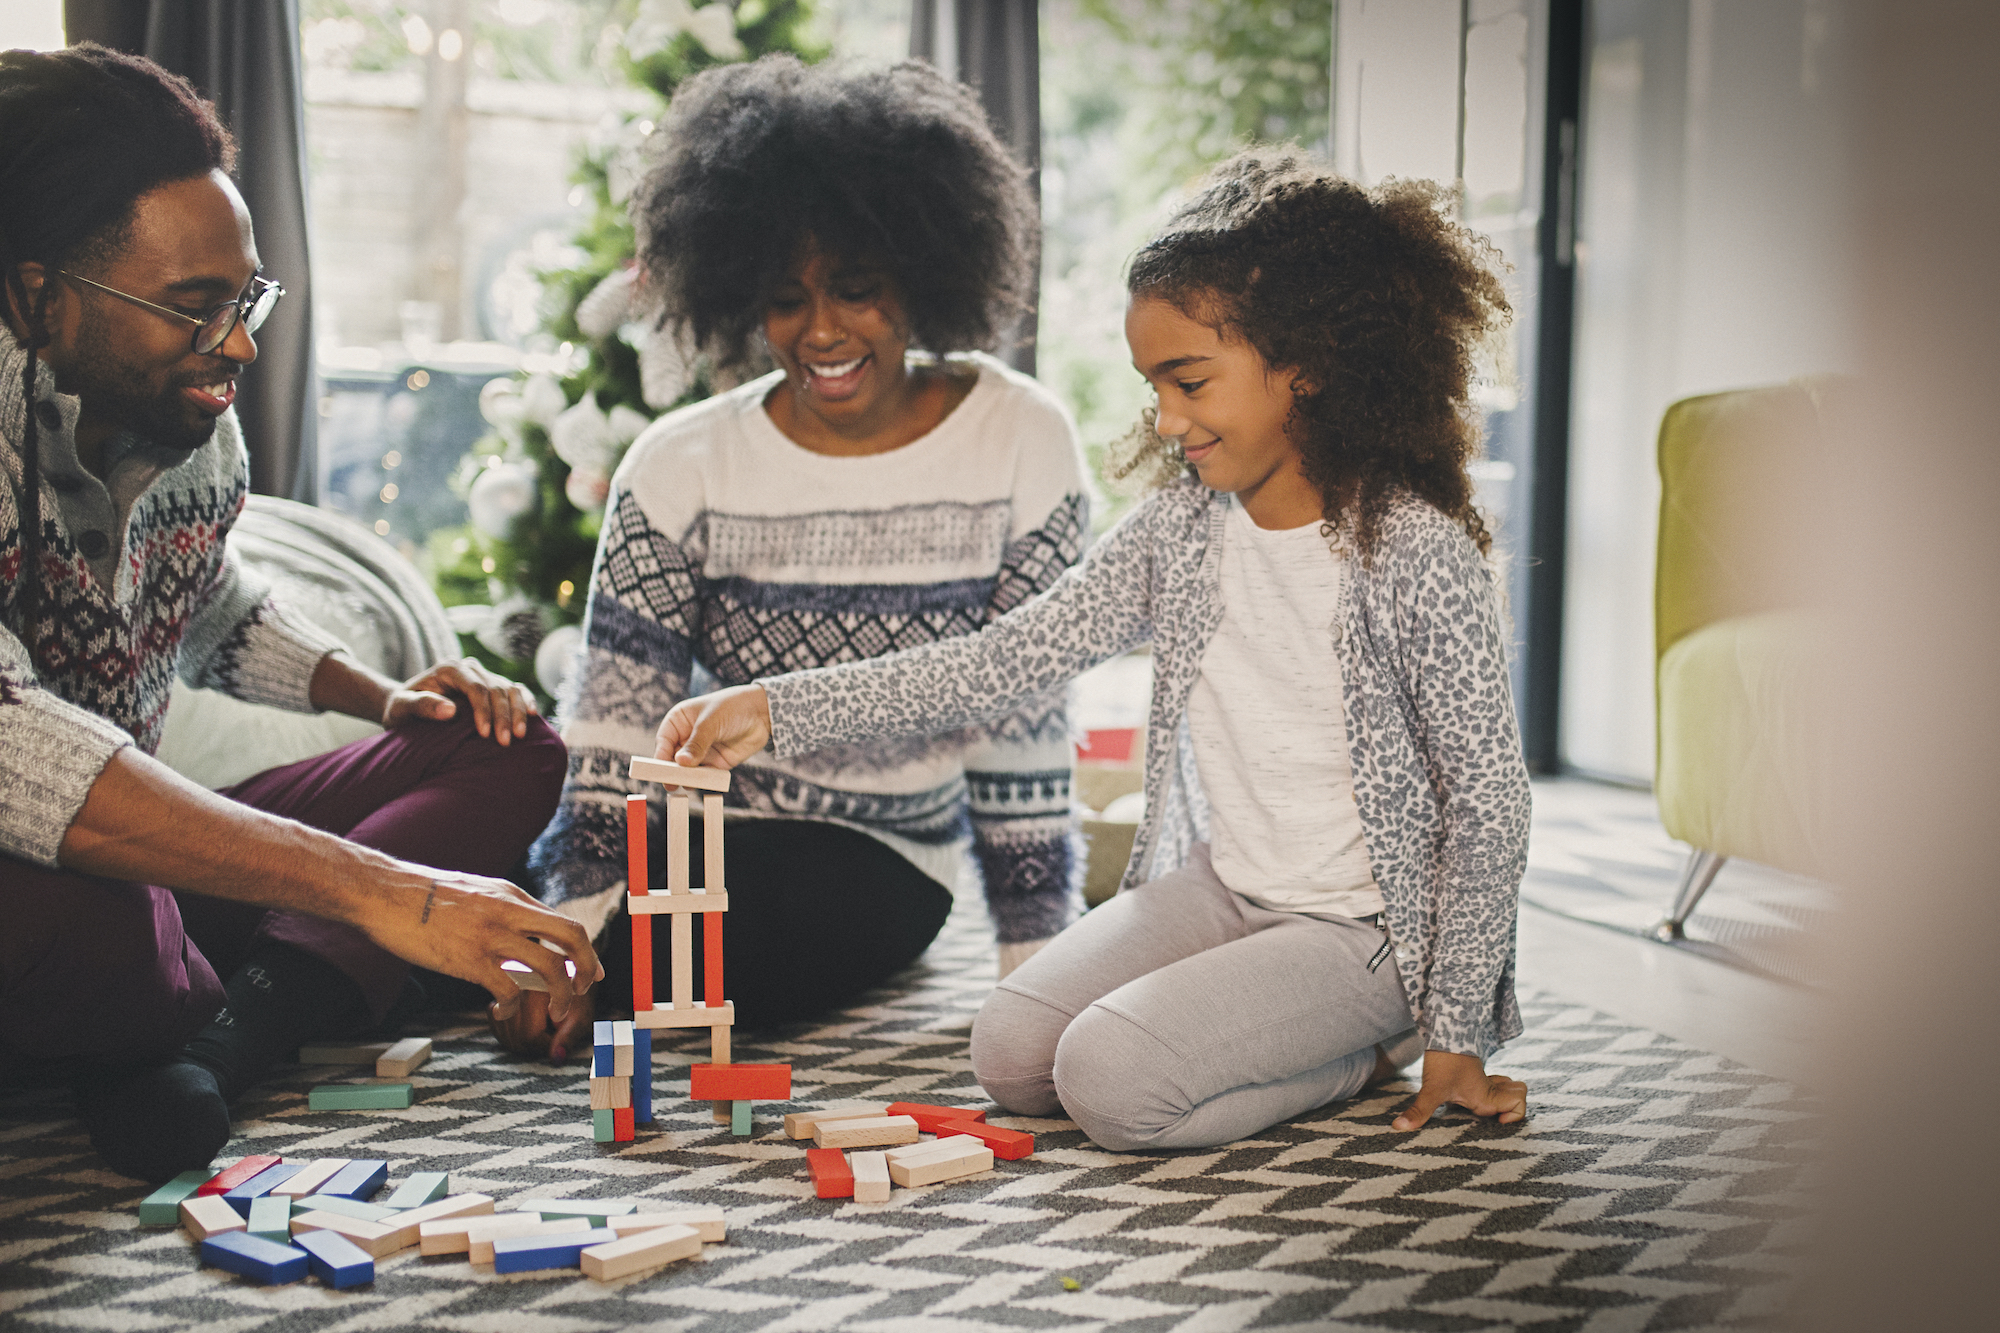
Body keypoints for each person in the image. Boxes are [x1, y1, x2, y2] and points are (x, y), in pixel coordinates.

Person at [657, 151, 1533, 1150]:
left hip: (1369, 935)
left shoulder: (1415, 551)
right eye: (1152, 385)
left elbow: (1486, 797)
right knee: (1013, 1054)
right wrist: (779, 705)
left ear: (1309, 363)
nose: (1165, 420)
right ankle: (1264, 1031)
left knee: (1112, 1084)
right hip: (1224, 889)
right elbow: (1003, 658)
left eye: (1189, 380)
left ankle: (1374, 1047)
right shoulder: (1183, 527)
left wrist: (1458, 1026)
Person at [0, 45, 599, 1182]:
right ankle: (177, 997)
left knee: (504, 746)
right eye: (193, 309)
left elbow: (212, 599)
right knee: (114, 932)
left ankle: (223, 1035)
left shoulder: (191, 417)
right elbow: (17, 753)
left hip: (130, 851)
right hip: (42, 867)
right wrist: (396, 895)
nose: (239, 344)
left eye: (244, 299)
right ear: (39, 296)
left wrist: (383, 697)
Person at [516, 55, 1087, 1058]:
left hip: (881, 860)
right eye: (785, 299)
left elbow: (1018, 724)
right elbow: (611, 734)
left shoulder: (1021, 437)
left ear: (923, 275)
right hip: (694, 835)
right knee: (503, 883)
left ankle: (561, 976)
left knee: (728, 930)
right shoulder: (678, 460)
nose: (821, 330)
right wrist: (567, 928)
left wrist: (1033, 963)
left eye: (858, 290)